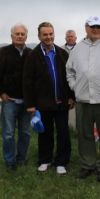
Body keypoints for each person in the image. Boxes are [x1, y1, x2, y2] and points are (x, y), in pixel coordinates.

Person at [66, 15, 100, 183]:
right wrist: (75, 87)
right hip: (83, 100)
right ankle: (87, 165)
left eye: (98, 26)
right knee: (84, 134)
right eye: (92, 26)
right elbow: (69, 71)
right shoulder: (77, 49)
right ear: (86, 28)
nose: (95, 29)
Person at [23, 22, 74, 175]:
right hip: (43, 103)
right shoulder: (33, 56)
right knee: (45, 133)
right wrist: (30, 104)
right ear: (39, 36)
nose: (48, 37)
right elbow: (27, 81)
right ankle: (45, 160)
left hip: (62, 102)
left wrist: (71, 96)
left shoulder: (62, 53)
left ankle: (61, 162)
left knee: (63, 132)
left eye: (50, 34)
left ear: (54, 34)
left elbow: (71, 76)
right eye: (45, 34)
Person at [0, 23, 32, 172]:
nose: (20, 36)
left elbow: (36, 78)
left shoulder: (31, 54)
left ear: (26, 36)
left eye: (22, 34)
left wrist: (32, 98)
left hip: (27, 102)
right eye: (17, 34)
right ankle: (9, 161)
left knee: (25, 133)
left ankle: (21, 158)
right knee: (8, 134)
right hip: (10, 101)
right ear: (12, 36)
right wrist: (1, 93)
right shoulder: (3, 52)